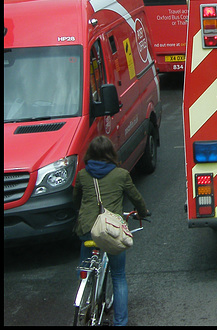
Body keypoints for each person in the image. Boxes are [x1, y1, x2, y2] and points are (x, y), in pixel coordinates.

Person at [73, 136, 149, 326]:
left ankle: (85, 288)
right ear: (111, 154)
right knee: (118, 276)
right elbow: (136, 198)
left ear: (90, 154)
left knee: (85, 261)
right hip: (110, 230)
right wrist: (143, 212)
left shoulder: (82, 175)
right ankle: (120, 322)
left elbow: (76, 199)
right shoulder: (121, 174)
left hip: (87, 229)